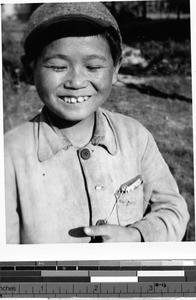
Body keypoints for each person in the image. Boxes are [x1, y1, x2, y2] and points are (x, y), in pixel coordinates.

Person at [4, 2, 189, 244]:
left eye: (93, 67)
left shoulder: (135, 137)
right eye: (58, 66)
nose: (77, 81)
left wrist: (137, 236)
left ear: (115, 70)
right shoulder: (9, 154)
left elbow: (173, 209)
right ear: (30, 70)